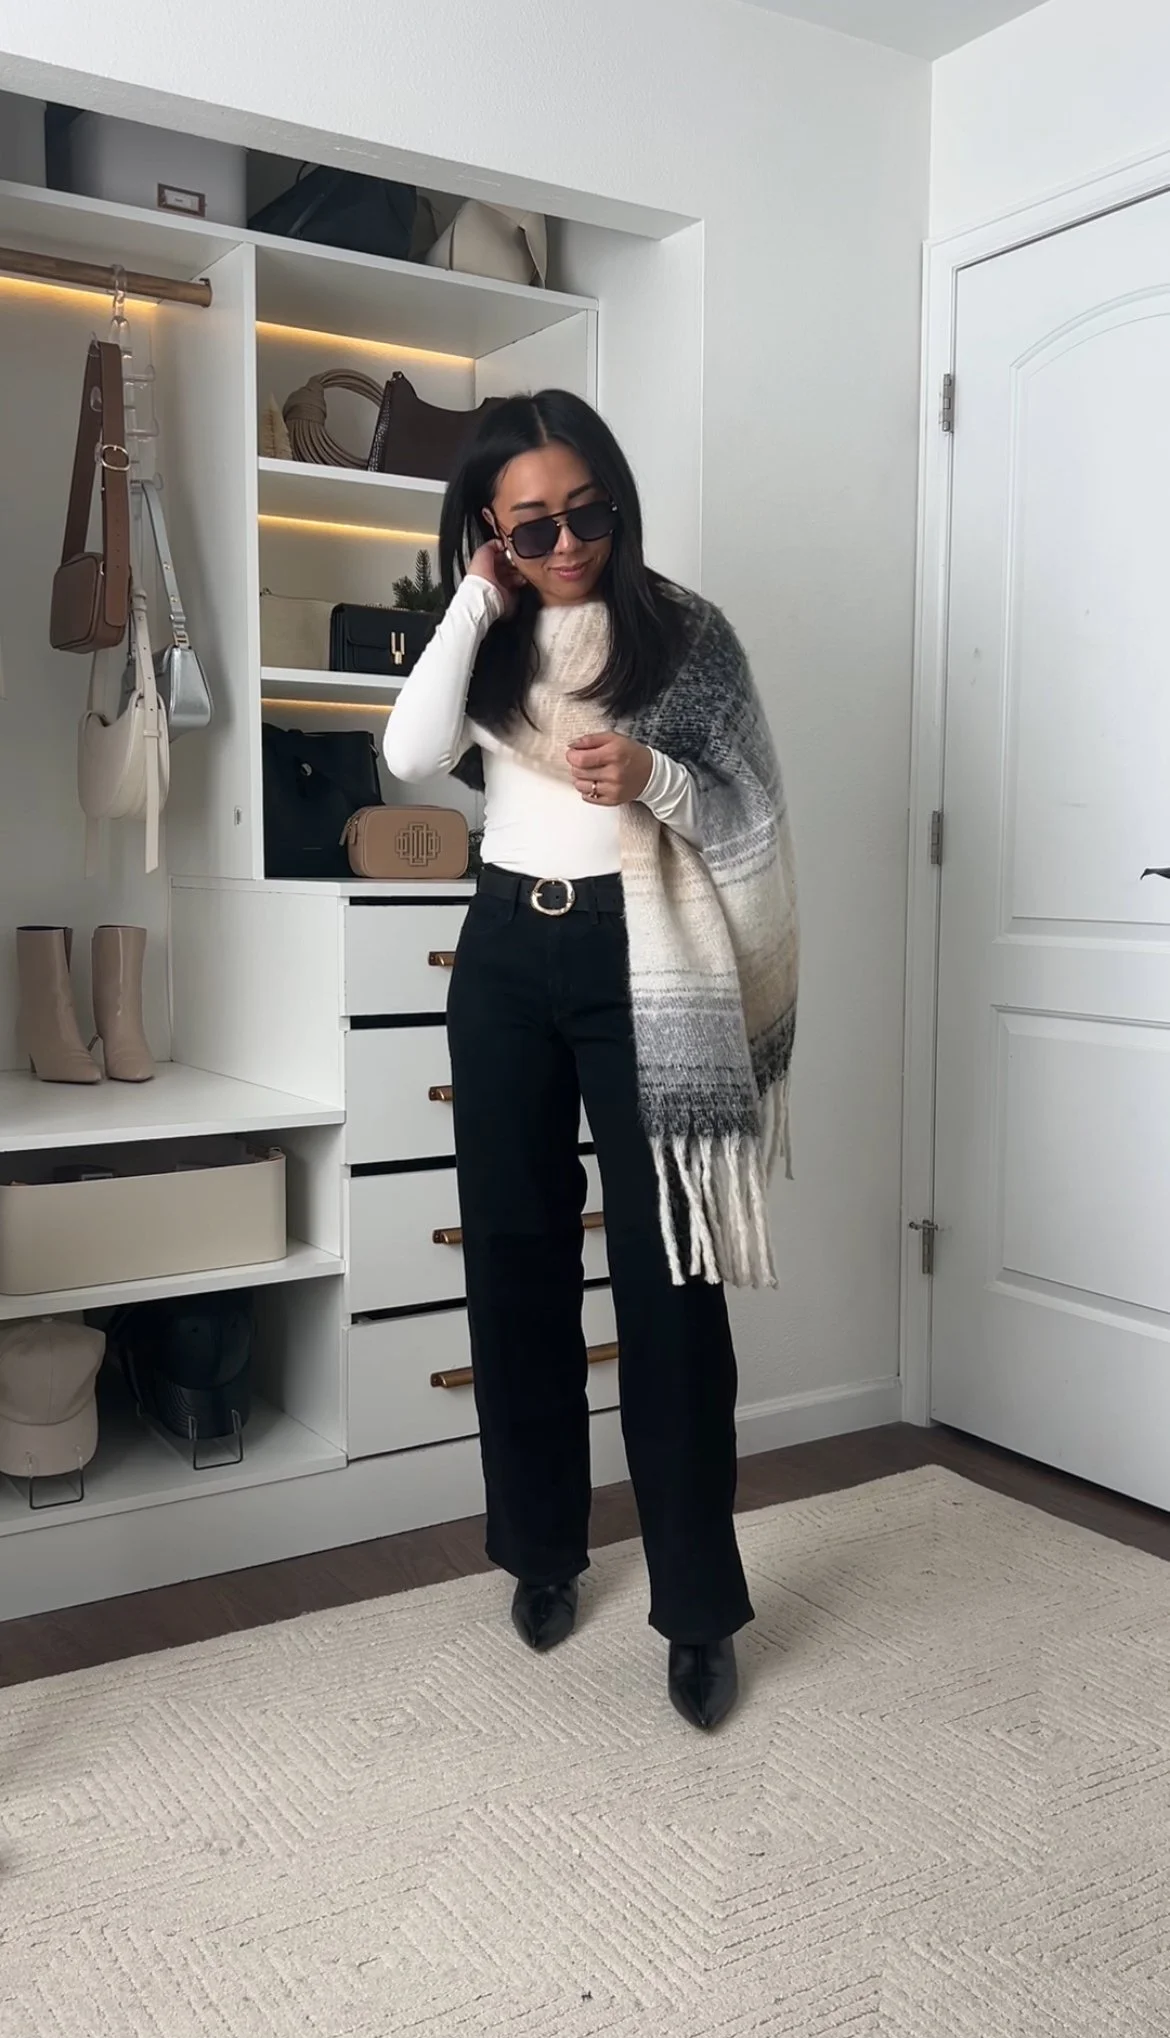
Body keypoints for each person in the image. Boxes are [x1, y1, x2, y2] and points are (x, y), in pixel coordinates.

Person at [383, 391, 798, 1730]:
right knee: (513, 1261)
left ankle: (698, 1608)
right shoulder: (490, 636)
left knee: (668, 1280)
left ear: (616, 503)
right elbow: (409, 752)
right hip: (506, 950)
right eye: (532, 526)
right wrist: (473, 599)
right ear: (489, 530)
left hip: (645, 956)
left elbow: (742, 800)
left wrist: (653, 779)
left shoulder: (685, 635)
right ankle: (542, 1551)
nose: (567, 544)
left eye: (587, 513)